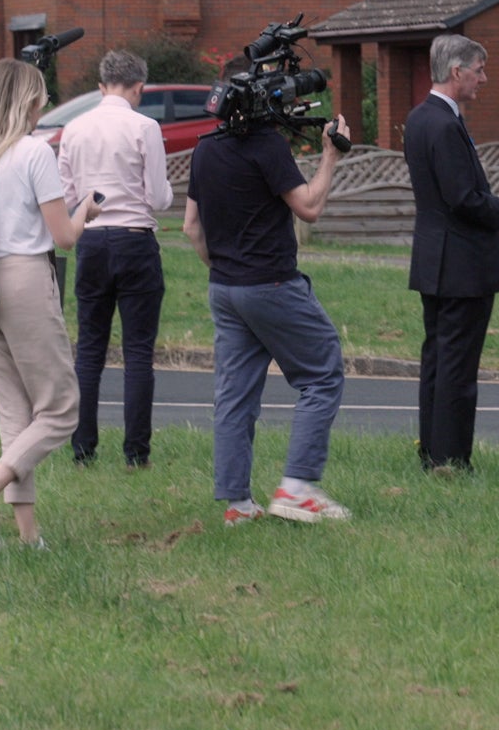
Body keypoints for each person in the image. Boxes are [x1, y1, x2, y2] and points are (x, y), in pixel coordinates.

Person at [0, 59, 100, 551]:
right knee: (61, 408)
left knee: (14, 411)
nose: (44, 106)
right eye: (40, 98)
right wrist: (86, 211)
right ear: (26, 103)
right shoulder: (35, 153)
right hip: (22, 278)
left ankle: (28, 538)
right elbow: (63, 238)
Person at [182, 107, 353, 526]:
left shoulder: (205, 148)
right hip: (272, 285)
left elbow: (191, 226)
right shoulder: (267, 144)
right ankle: (297, 489)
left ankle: (238, 505)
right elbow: (308, 207)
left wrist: (224, 271)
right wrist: (331, 154)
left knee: (235, 393)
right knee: (322, 373)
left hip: (224, 288)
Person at [404, 34, 499, 471]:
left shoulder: (420, 118)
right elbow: (462, 197)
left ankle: (431, 452)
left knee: (437, 360)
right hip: (461, 264)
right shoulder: (444, 123)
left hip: (433, 259)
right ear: (457, 72)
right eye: (479, 70)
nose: (484, 78)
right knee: (458, 366)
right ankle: (452, 459)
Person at [58, 50, 173, 468]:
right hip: (135, 239)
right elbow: (158, 197)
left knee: (90, 348)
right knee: (138, 351)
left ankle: (82, 448)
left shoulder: (74, 128)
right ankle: (136, 452)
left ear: (101, 85)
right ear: (139, 87)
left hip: (91, 239)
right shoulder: (145, 126)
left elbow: (68, 194)